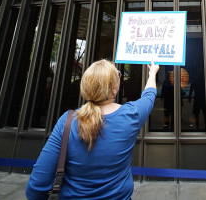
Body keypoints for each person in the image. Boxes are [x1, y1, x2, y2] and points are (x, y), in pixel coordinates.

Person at [26, 59, 159, 200]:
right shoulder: (132, 115)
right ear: (114, 89)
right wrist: (152, 73)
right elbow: (149, 95)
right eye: (118, 75)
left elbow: (36, 186)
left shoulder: (68, 121)